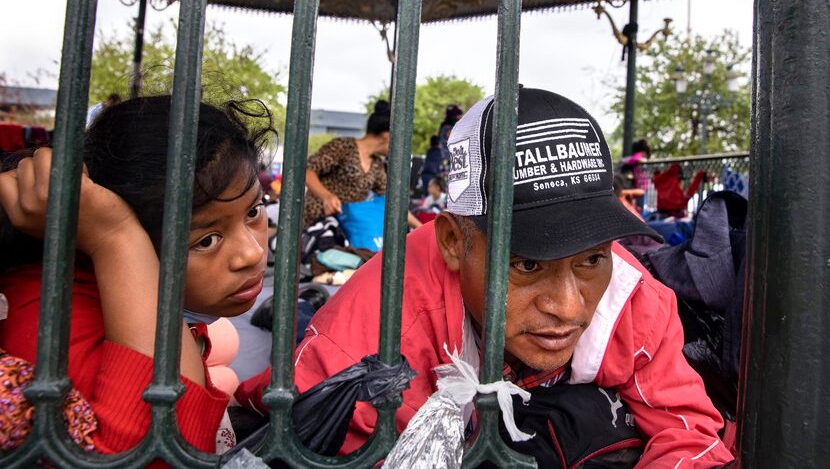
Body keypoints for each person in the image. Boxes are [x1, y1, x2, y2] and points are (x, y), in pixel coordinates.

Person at [236, 88, 733, 467]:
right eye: (527, 264)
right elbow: (309, 442)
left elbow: (690, 434)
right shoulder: (374, 341)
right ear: (453, 241)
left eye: (591, 259)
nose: (568, 307)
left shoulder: (633, 298)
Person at [0, 95, 275, 456]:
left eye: (254, 210)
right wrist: (115, 235)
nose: (253, 253)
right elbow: (160, 455)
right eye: (206, 240)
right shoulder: (52, 321)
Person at [303, 99, 421, 229]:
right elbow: (309, 170)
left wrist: (423, 229)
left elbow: (392, 203)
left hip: (341, 230)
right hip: (313, 223)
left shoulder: (377, 165)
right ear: (387, 136)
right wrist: (327, 196)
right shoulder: (343, 146)